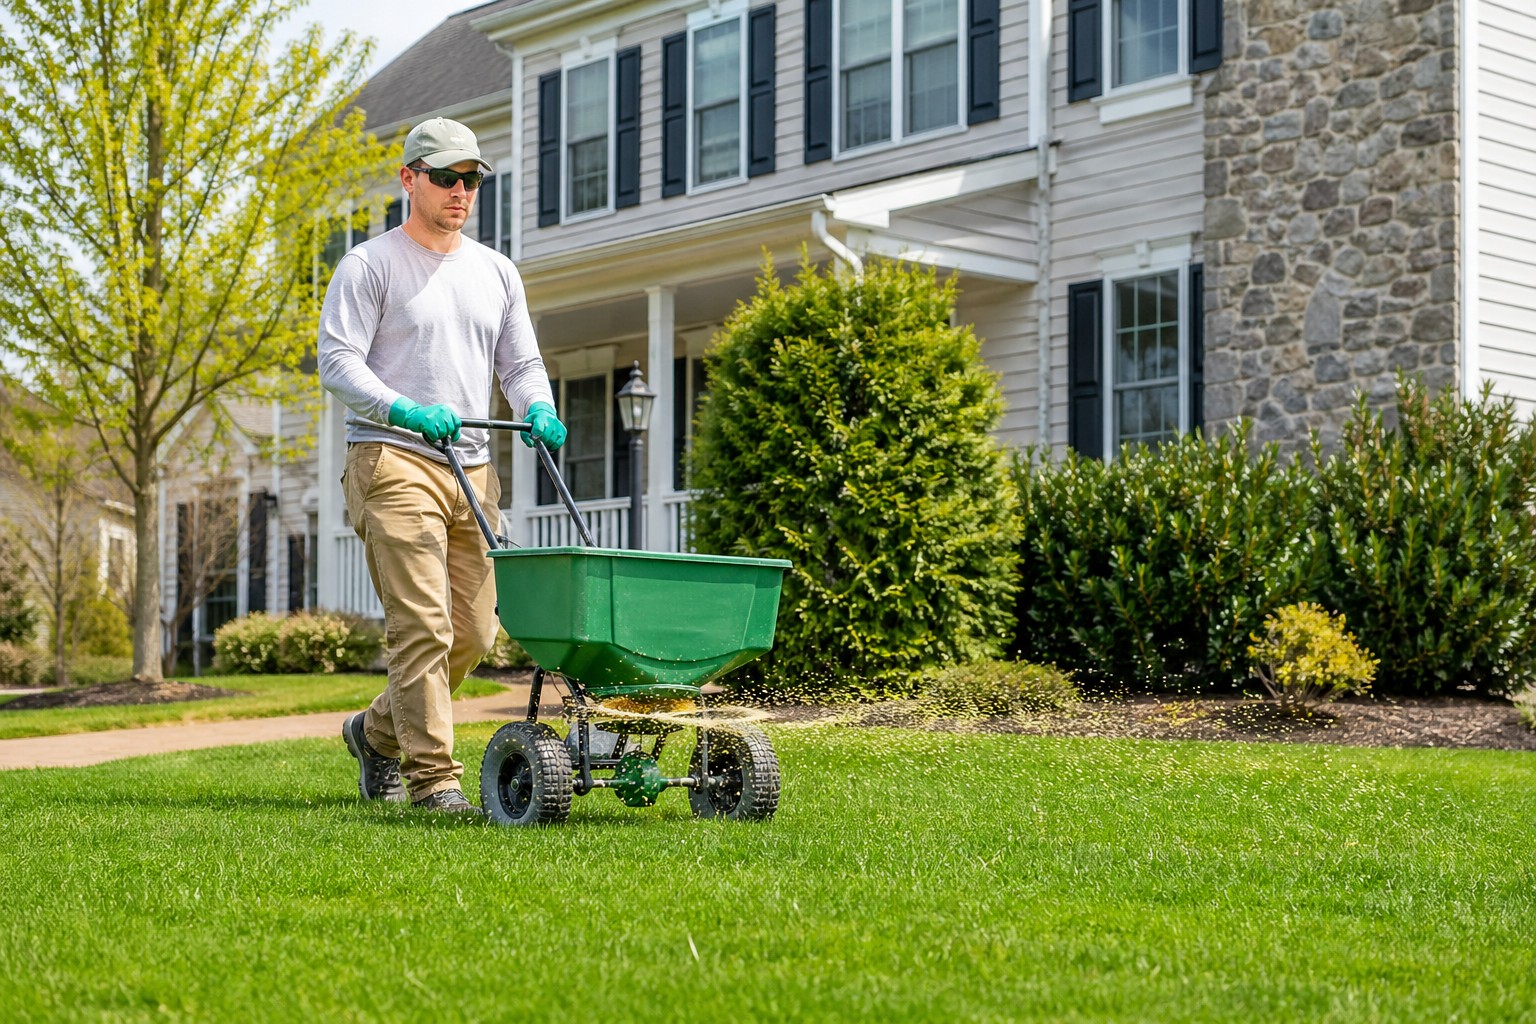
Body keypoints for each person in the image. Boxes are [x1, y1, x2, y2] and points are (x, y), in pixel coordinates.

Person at [318, 117, 566, 817]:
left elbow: (519, 363)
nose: (462, 192)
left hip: (475, 468)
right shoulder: (371, 266)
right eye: (447, 178)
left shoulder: (495, 271)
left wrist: (538, 406)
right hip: (392, 456)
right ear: (410, 179)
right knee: (422, 626)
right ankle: (435, 781)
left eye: (472, 180)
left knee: (475, 631)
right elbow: (337, 363)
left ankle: (374, 735)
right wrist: (405, 409)